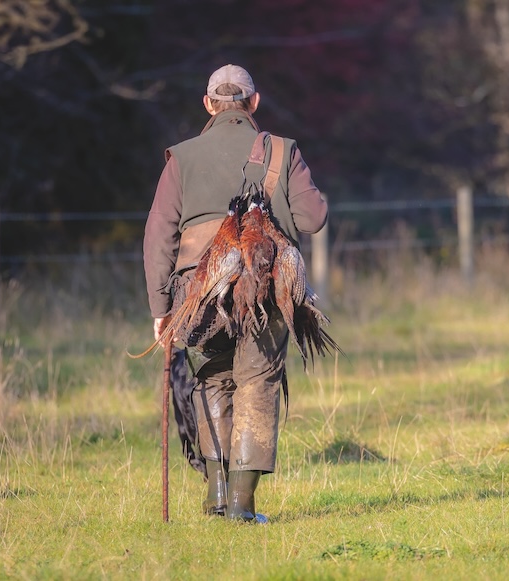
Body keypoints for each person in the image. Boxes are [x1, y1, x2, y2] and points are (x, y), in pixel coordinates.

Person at [143, 64, 328, 523]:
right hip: (267, 289)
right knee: (258, 380)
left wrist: (160, 308)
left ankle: (217, 497)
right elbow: (313, 218)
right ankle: (243, 508)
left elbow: (158, 235)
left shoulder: (181, 157)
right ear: (254, 103)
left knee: (212, 379)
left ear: (208, 105)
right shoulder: (284, 152)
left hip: (199, 295)